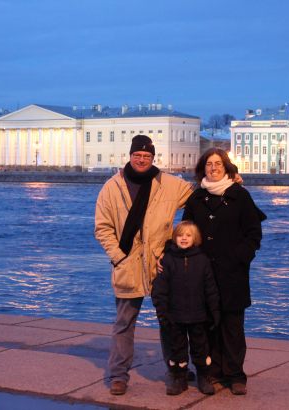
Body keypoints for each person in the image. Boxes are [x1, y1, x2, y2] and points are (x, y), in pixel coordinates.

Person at [94, 135, 194, 396]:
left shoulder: (169, 184)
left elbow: (199, 197)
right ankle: (118, 375)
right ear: (130, 156)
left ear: (153, 158)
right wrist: (118, 256)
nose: (141, 159)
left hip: (160, 263)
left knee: (170, 321)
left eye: (147, 156)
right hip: (128, 263)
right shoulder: (111, 188)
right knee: (124, 322)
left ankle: (176, 369)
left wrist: (229, 180)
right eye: (137, 155)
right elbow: (102, 228)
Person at [182, 148, 266, 396]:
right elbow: (186, 230)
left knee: (232, 325)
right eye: (209, 164)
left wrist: (241, 257)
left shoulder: (240, 195)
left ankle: (236, 375)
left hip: (233, 272)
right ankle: (212, 371)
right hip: (203, 272)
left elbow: (254, 233)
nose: (214, 168)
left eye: (218, 164)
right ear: (203, 169)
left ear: (227, 167)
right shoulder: (197, 197)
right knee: (208, 324)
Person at [151, 221, 220, 396]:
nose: (184, 238)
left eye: (188, 235)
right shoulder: (168, 260)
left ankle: (203, 376)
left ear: (195, 238)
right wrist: (162, 313)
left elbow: (210, 288)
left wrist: (214, 311)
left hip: (198, 315)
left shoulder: (202, 260)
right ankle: (179, 378)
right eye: (180, 235)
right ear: (174, 238)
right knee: (177, 348)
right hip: (175, 315)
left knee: (201, 347)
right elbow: (159, 290)